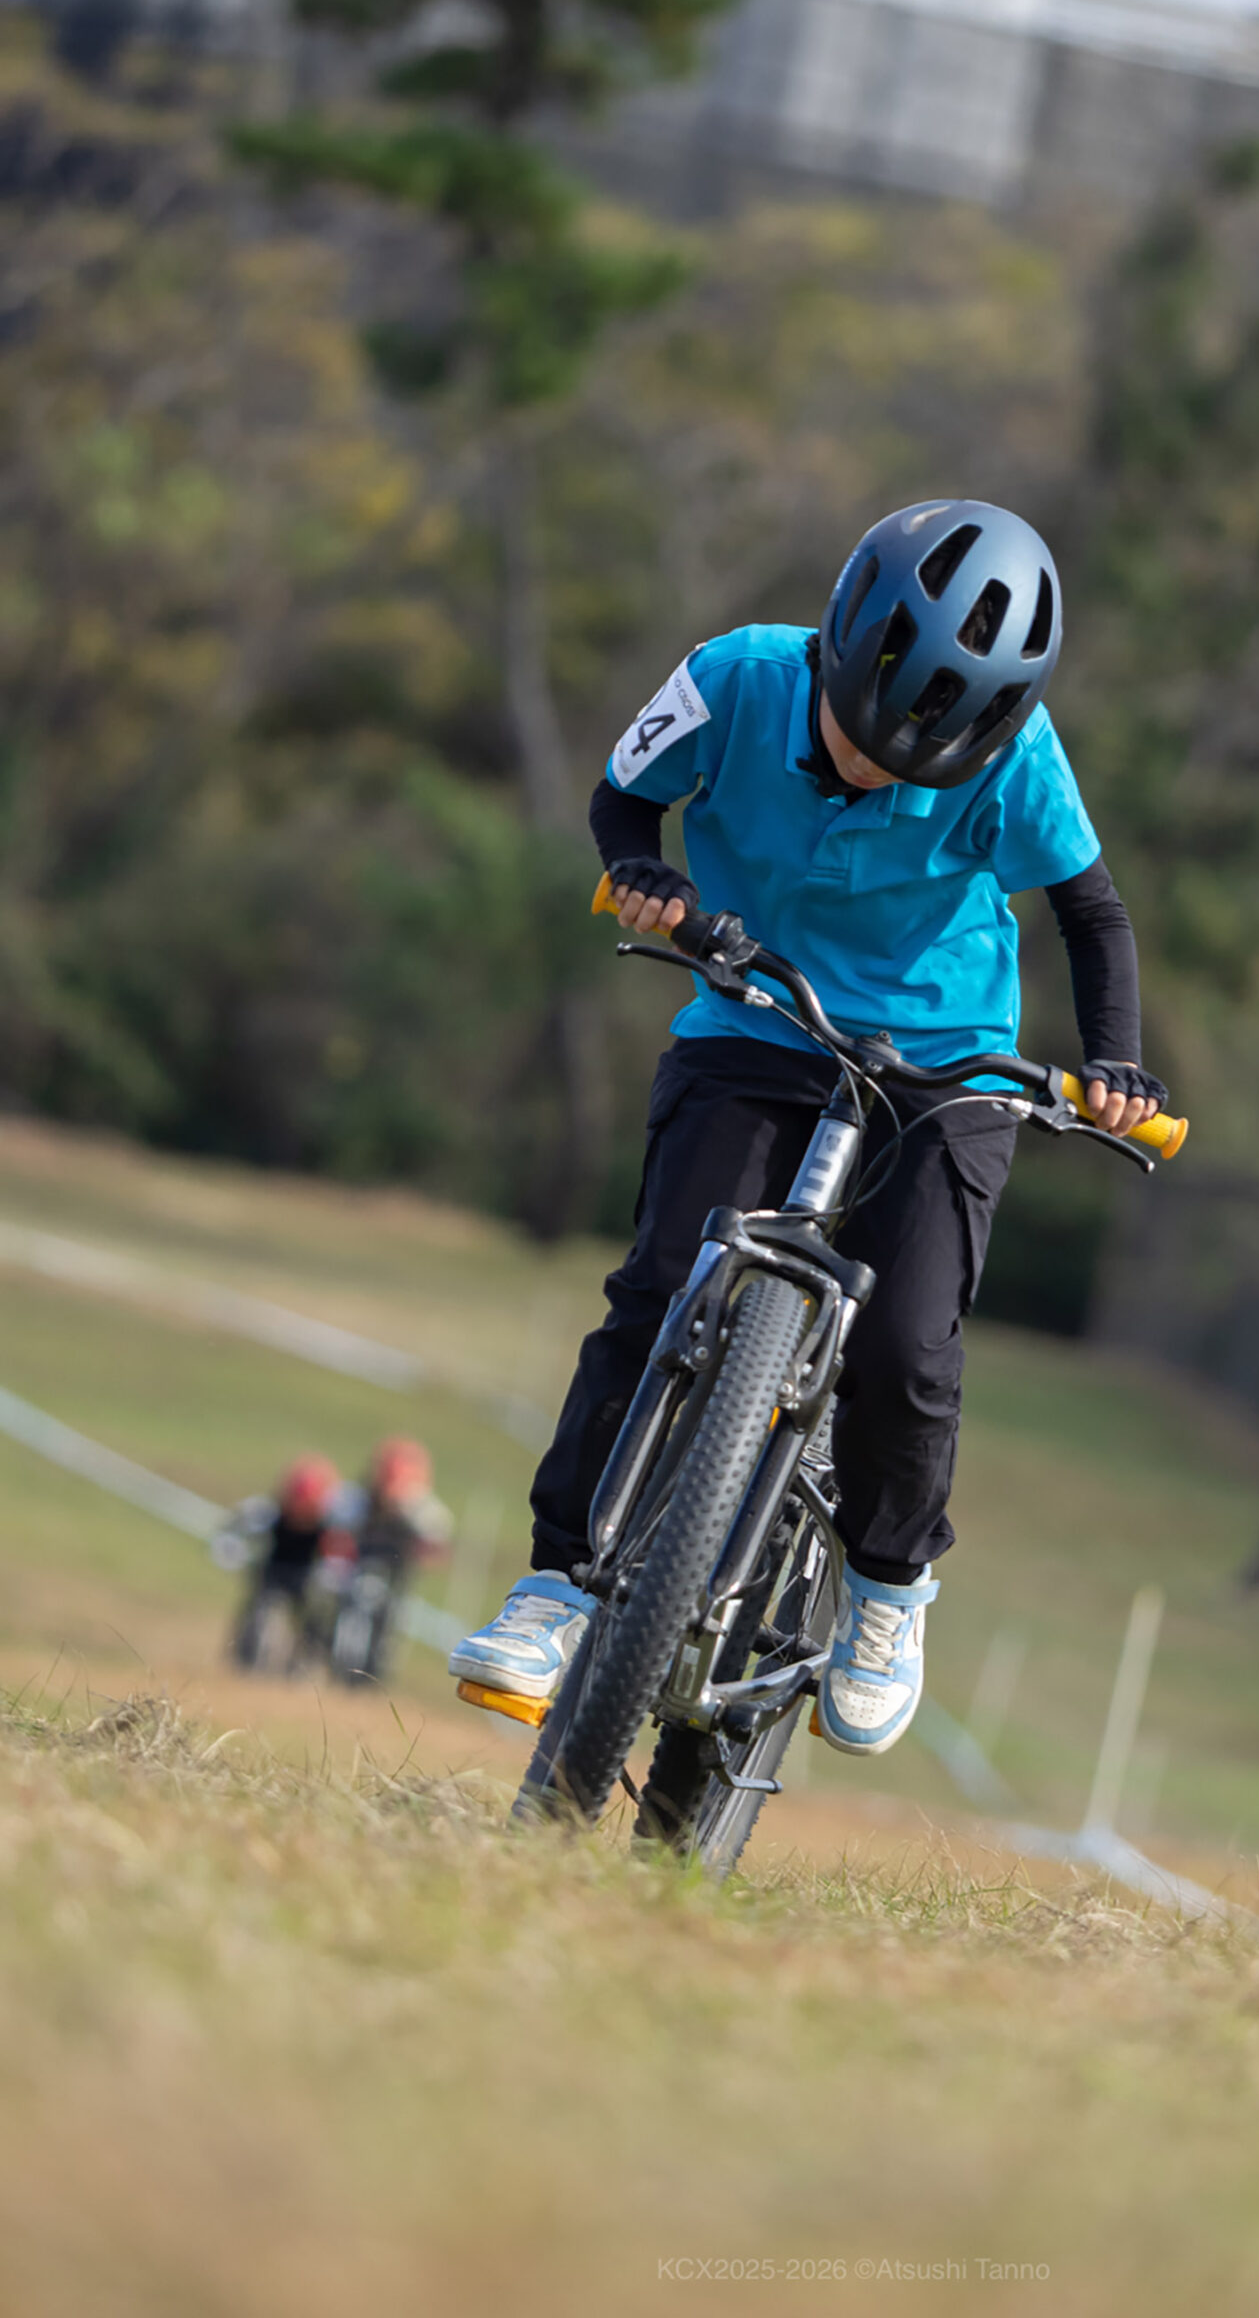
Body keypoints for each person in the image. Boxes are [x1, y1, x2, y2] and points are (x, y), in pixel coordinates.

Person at [451, 499, 1165, 1753]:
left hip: (947, 1063)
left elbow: (1091, 918)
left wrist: (1115, 1063)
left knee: (908, 1344)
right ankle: (556, 1585)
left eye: (920, 762)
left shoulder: (1017, 753)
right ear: (840, 648)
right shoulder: (735, 677)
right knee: (663, 1286)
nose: (878, 773)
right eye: (860, 739)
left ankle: (887, 1589)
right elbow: (621, 800)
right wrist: (648, 872)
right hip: (758, 1016)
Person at [324, 1438, 453, 1683]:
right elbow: (335, 1533)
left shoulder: (422, 1510)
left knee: (388, 1628)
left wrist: (418, 1546)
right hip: (355, 1570)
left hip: (395, 1579)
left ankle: (373, 1677)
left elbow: (437, 1548)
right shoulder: (356, 1500)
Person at [217, 1452, 343, 1673]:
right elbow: (234, 1531)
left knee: (315, 1625)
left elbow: (340, 1556)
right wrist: (235, 1552)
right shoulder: (269, 1514)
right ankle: (247, 1664)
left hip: (308, 1583)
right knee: (260, 1618)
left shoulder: (331, 1525)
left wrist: (330, 1574)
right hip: (273, 1577)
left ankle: (304, 1669)